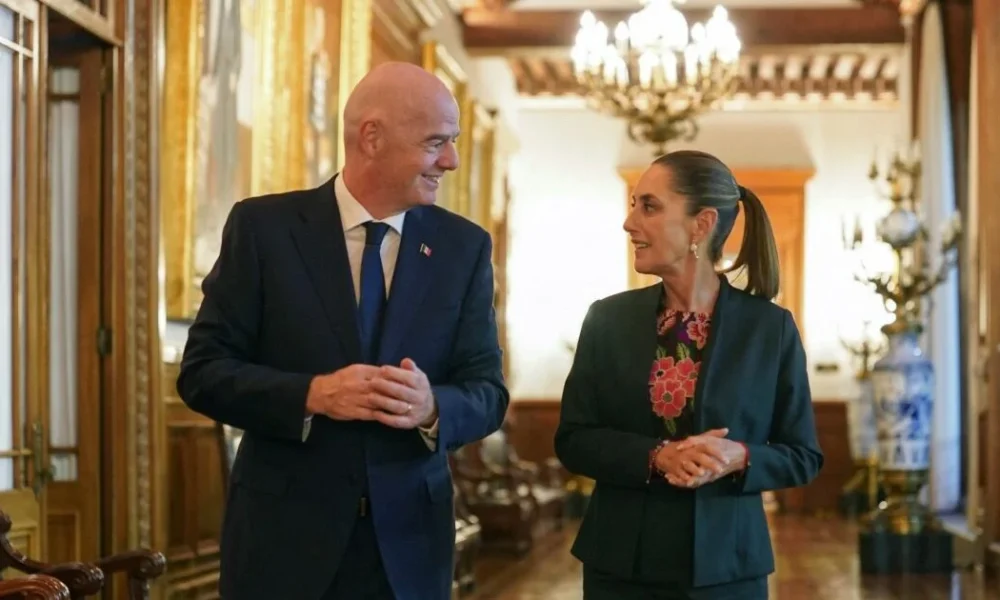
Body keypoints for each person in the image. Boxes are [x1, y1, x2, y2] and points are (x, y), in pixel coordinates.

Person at [176, 61, 509, 600]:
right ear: (371, 137)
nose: (450, 160)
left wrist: (430, 408)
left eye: (452, 142)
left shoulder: (463, 248)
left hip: (408, 548)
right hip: (282, 543)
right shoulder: (264, 230)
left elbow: (488, 393)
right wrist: (312, 394)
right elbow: (203, 373)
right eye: (435, 143)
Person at [554, 150, 823, 599]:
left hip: (727, 569)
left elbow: (803, 456)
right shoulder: (606, 320)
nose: (629, 222)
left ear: (701, 225)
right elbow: (574, 439)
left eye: (649, 206)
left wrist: (739, 456)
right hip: (620, 566)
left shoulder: (770, 330)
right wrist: (658, 456)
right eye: (634, 203)